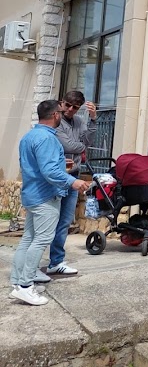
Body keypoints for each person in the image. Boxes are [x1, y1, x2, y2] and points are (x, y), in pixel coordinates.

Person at [10, 101, 90, 306]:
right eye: (62, 112)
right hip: (45, 196)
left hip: (32, 194)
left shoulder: (29, 136)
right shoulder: (47, 139)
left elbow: (39, 166)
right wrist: (74, 181)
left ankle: (18, 283)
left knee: (28, 239)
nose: (63, 115)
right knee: (41, 239)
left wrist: (59, 166)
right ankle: (26, 287)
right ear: (55, 115)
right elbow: (50, 172)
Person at [47, 90, 96, 277]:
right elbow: (69, 146)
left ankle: (56, 261)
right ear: (62, 102)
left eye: (75, 108)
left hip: (73, 174)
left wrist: (92, 119)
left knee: (65, 220)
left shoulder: (79, 121)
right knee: (49, 220)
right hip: (57, 176)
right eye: (68, 105)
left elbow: (89, 140)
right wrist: (81, 146)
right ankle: (34, 263)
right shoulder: (55, 120)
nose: (70, 110)